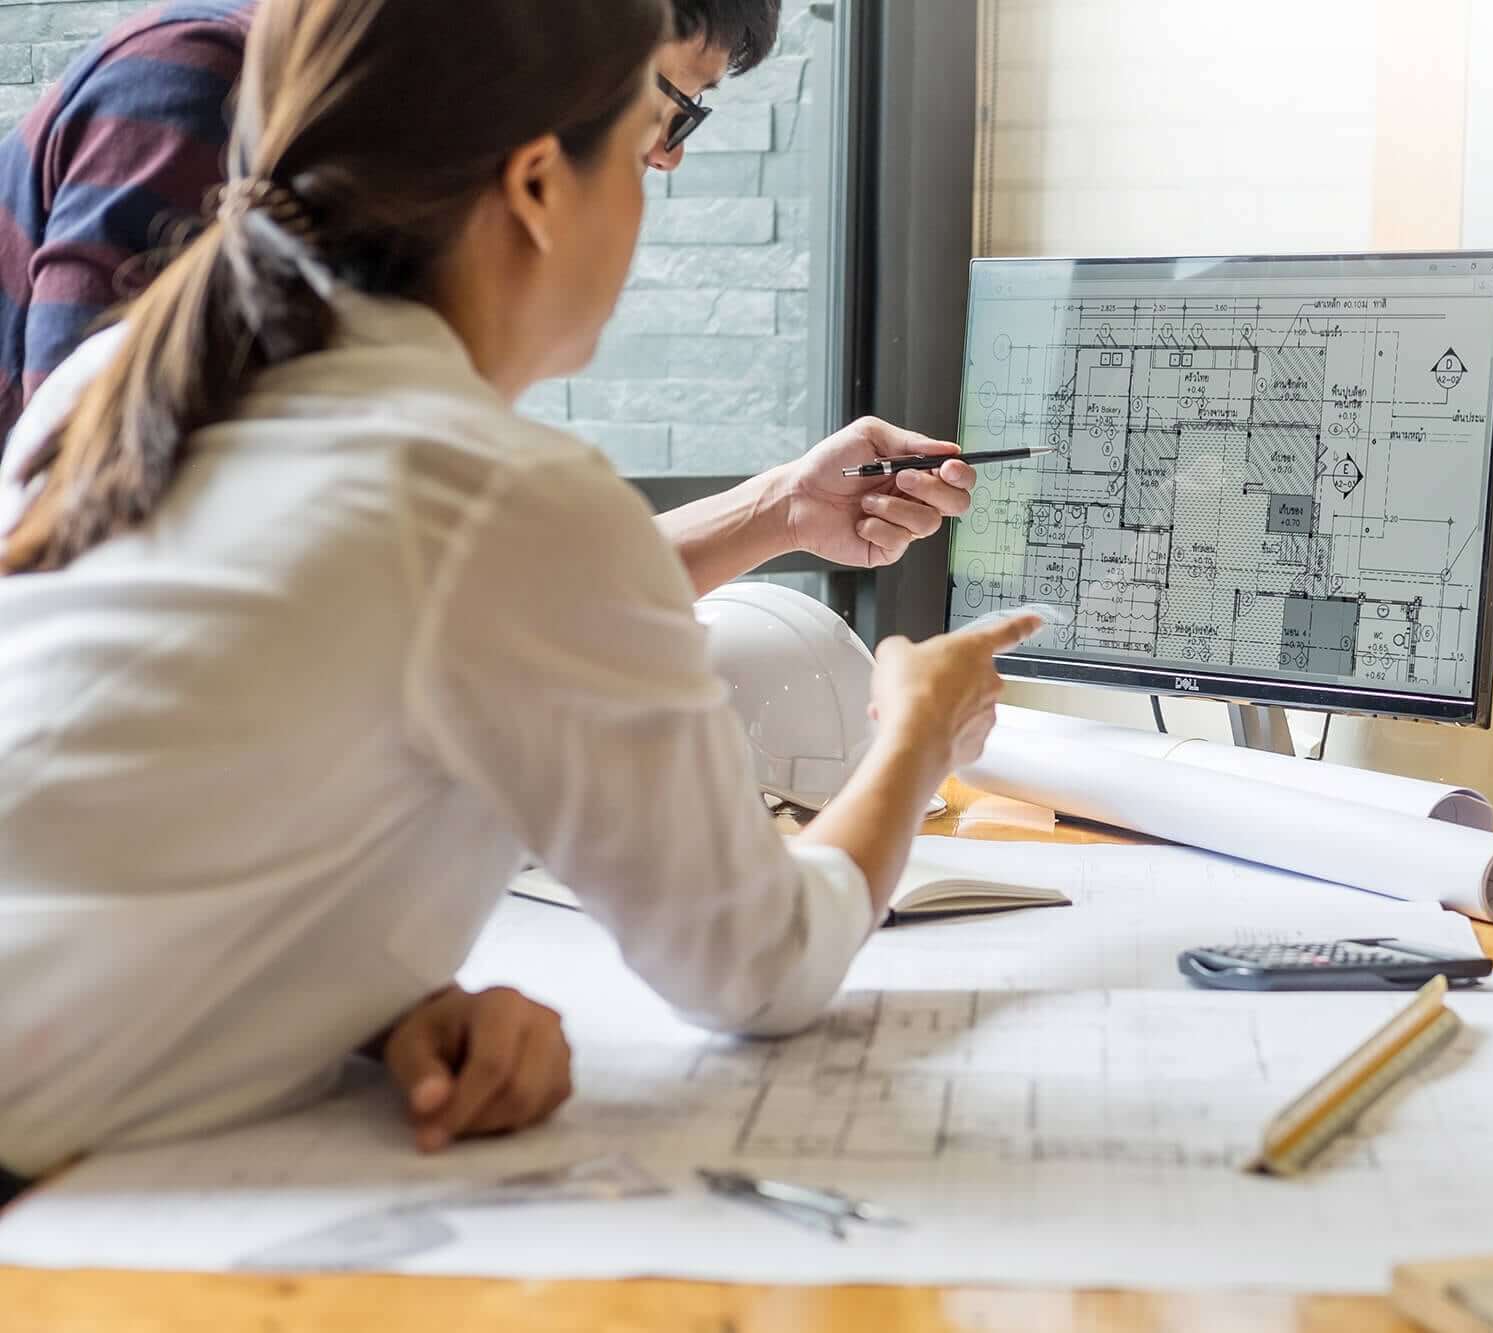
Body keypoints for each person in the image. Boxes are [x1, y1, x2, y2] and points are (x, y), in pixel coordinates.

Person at [0, 0, 1039, 1201]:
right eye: (646, 145)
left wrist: (371, 1006)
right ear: (541, 184)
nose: (655, 192)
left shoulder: (101, 387)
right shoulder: (496, 491)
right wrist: (916, 728)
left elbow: (134, 808)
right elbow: (762, 966)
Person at [0, 0, 787, 436]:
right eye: (673, 104)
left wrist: (779, 508)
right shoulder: (198, 77)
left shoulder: (419, 192)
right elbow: (81, 493)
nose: (664, 156)